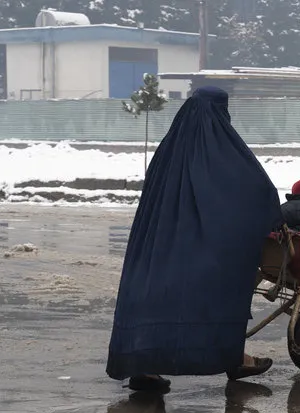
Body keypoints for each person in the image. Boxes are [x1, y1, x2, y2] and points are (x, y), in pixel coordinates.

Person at [105, 86, 283, 392]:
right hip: (199, 247)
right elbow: (255, 189)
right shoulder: (223, 150)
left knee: (152, 295)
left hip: (157, 246)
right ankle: (233, 357)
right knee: (218, 293)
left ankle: (144, 368)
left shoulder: (167, 149)